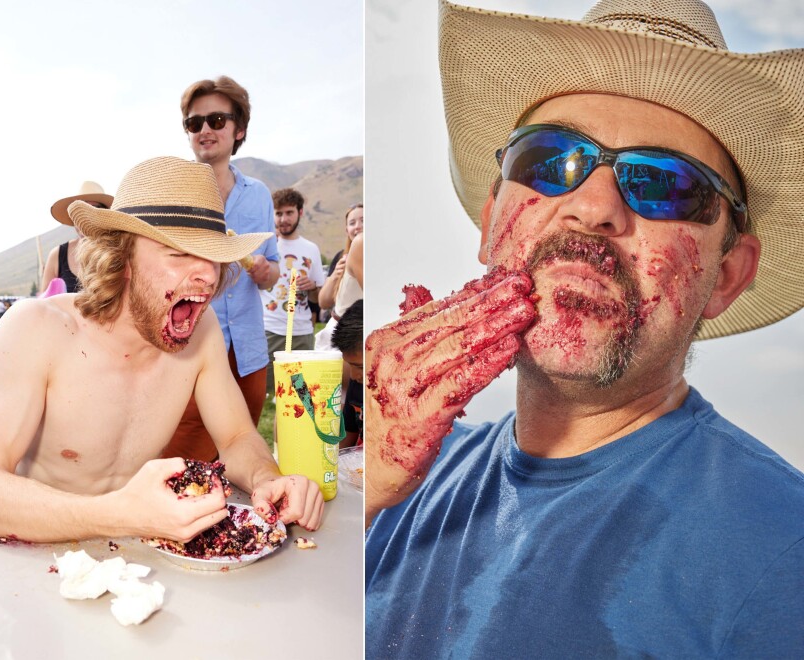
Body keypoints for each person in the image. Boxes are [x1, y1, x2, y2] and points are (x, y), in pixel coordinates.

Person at [365, 0, 804, 657]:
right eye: (548, 161)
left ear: (728, 275)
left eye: (664, 183)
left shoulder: (782, 552)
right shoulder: (397, 477)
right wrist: (363, 490)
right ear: (491, 222)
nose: (592, 207)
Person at [0, 156, 324, 543]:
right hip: (32, 553)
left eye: (214, 254)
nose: (207, 274)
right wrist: (119, 516)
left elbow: (235, 438)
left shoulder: (202, 330)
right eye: (179, 252)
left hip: (132, 563)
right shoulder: (35, 329)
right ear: (123, 257)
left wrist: (268, 478)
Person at [161, 76, 280, 462]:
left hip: (246, 348)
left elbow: (275, 267)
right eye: (194, 124)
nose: (205, 130)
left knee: (241, 454)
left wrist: (266, 272)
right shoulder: (174, 194)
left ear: (238, 128)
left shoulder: (259, 195)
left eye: (216, 120)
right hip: (189, 344)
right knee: (184, 457)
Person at [262, 188, 326, 397]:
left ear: (300, 212)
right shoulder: (265, 245)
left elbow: (320, 299)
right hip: (269, 330)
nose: (283, 219)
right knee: (264, 393)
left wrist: (312, 288)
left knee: (300, 397)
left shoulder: (311, 249)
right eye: (279, 214)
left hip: (301, 333)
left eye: (289, 213)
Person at [40, 181, 114, 295]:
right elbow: (44, 304)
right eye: (78, 211)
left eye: (93, 208)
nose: (84, 216)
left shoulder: (117, 251)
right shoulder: (58, 255)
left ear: (104, 214)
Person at [316, 204, 364, 351]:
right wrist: (335, 276)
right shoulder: (340, 256)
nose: (357, 226)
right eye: (352, 223)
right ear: (346, 230)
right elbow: (323, 302)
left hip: (355, 333)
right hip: (338, 333)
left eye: (363, 220)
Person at [331, 299, 363, 448]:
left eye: (360, 367)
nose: (354, 375)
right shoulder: (357, 384)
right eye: (350, 365)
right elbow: (348, 436)